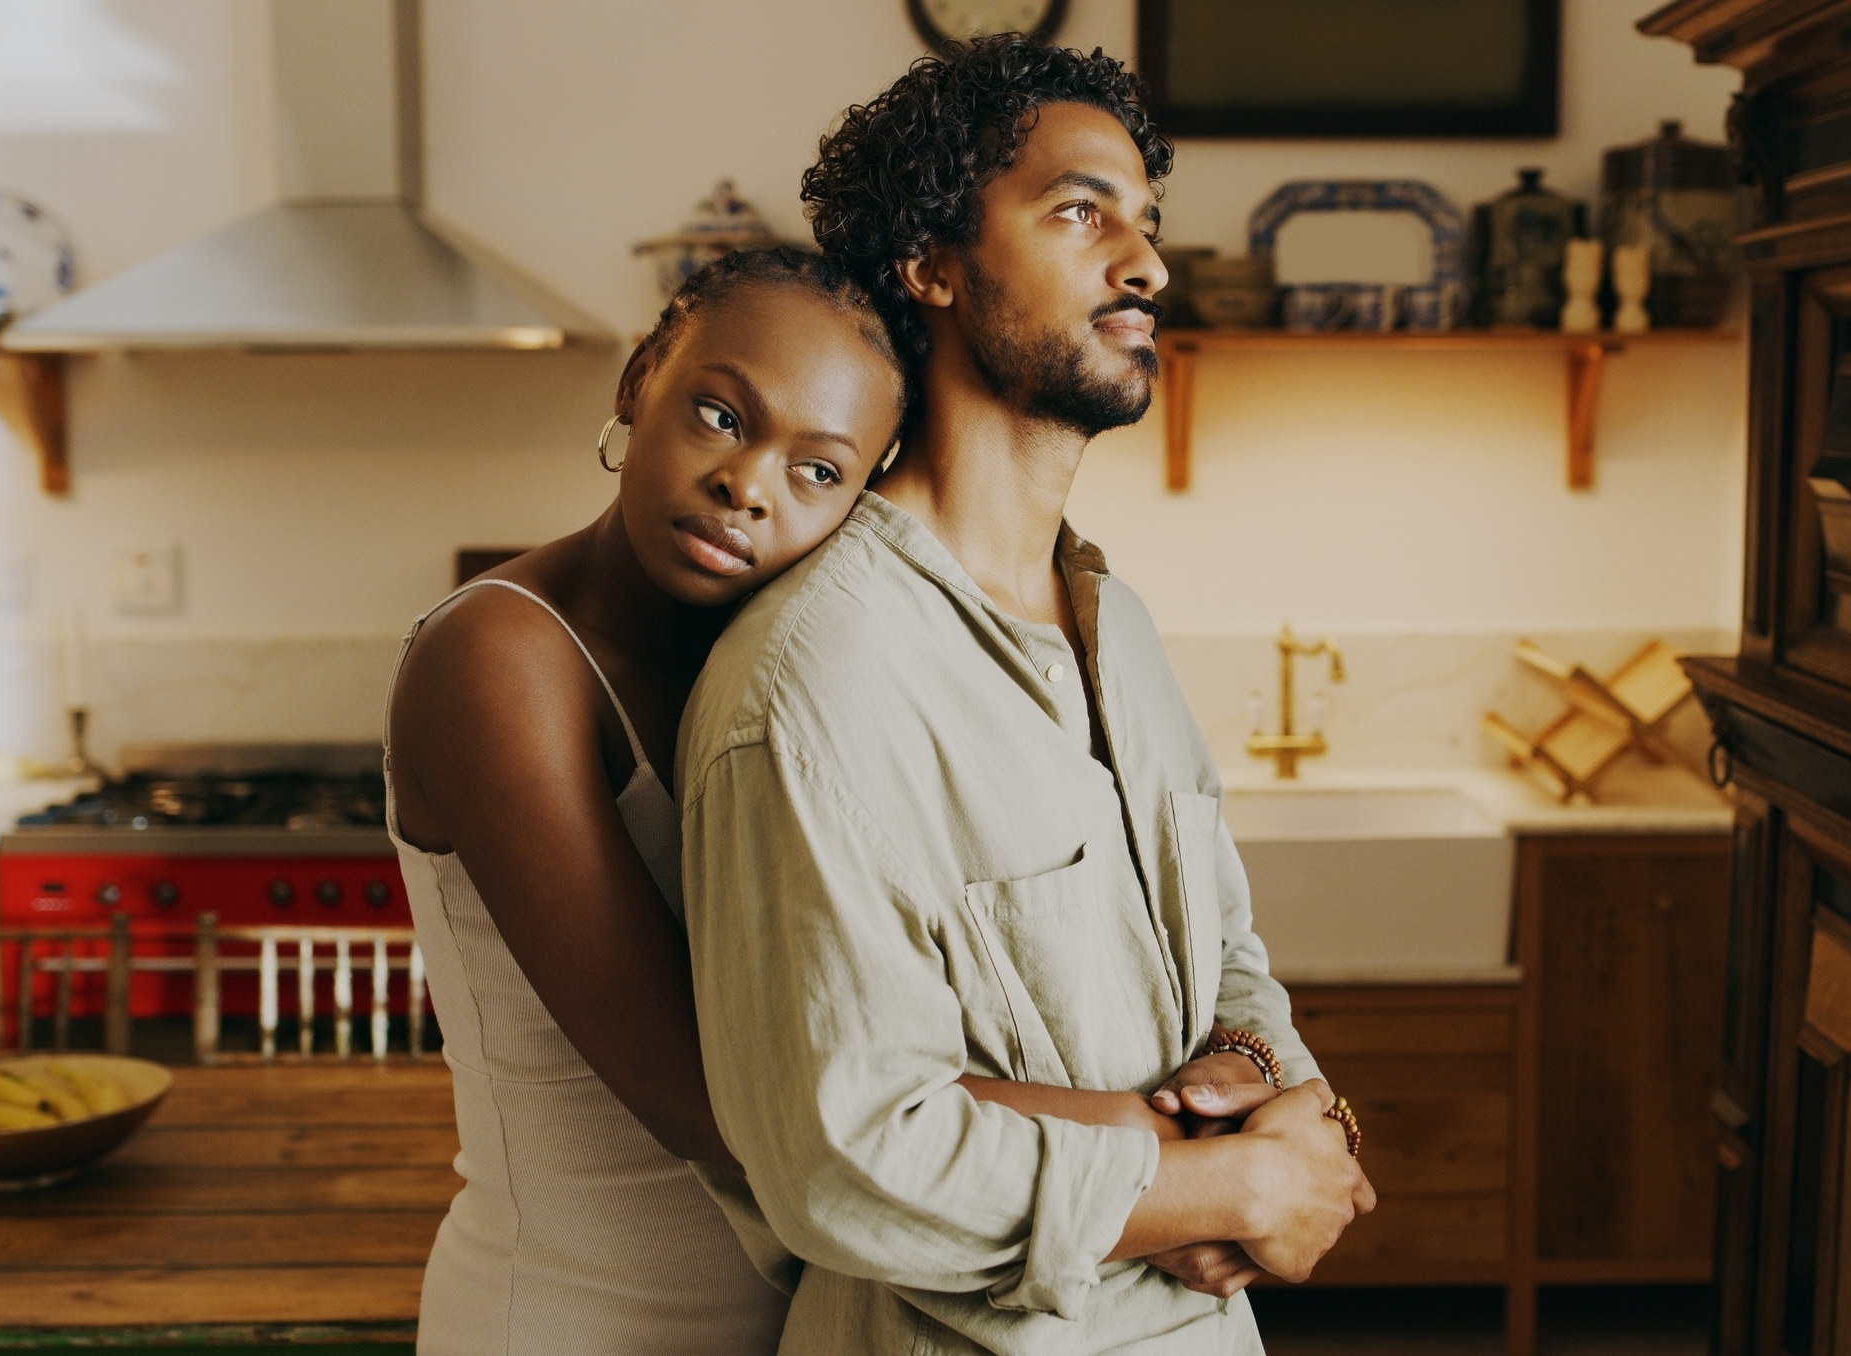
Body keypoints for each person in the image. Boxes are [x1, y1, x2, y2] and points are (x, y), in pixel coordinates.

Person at [383, 246, 1269, 1356]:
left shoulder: (793, 666)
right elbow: (728, 1103)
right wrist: (1189, 1164)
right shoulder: (502, 658)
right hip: (577, 1316)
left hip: (824, 1307)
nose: (747, 484)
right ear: (639, 379)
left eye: (818, 472)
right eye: (718, 415)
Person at [675, 40, 1378, 1354]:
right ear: (929, 263)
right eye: (1078, 212)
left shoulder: (1117, 626)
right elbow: (844, 1156)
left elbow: (1228, 956)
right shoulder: (813, 684)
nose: (1145, 264)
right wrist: (1214, 1185)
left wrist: (1287, 1107)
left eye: (1144, 222)